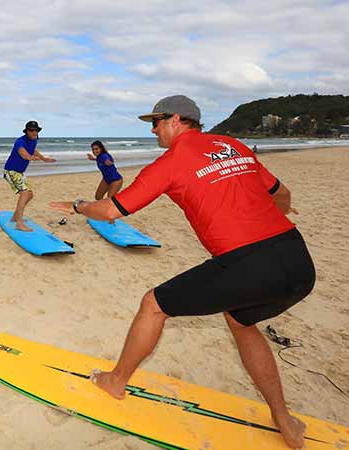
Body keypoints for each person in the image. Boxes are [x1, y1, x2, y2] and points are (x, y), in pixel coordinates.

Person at [50, 95, 313, 449]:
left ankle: (115, 381)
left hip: (248, 264)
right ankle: (283, 418)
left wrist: (79, 206)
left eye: (155, 122)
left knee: (153, 304)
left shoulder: (170, 162)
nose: (153, 130)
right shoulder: (232, 146)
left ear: (176, 120)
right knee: (241, 322)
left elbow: (113, 210)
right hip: (297, 261)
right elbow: (282, 194)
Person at [3, 120, 56, 231]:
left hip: (19, 172)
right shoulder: (20, 141)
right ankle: (19, 223)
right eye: (31, 130)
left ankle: (15, 216)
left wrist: (44, 158)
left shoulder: (34, 139)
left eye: (35, 130)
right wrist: (30, 157)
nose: (33, 132)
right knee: (25, 193)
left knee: (30, 195)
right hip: (11, 171)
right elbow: (22, 152)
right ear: (26, 131)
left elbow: (33, 150)